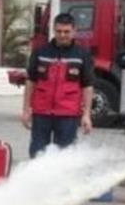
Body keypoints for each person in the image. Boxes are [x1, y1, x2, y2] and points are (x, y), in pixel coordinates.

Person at [21, 12, 94, 158]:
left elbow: (87, 85)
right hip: (41, 113)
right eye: (59, 31)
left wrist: (86, 114)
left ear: (74, 31)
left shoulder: (82, 55)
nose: (62, 35)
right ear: (53, 30)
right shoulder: (40, 52)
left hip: (68, 115)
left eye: (66, 32)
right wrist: (26, 109)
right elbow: (31, 81)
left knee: (64, 157)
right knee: (37, 154)